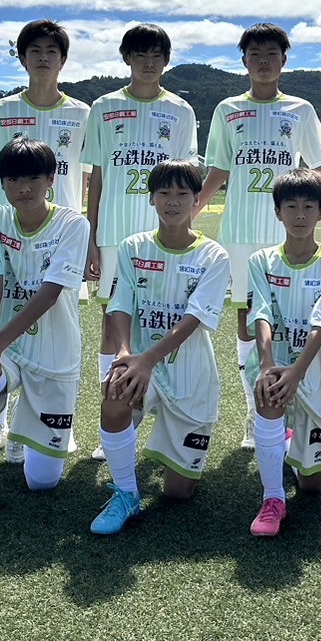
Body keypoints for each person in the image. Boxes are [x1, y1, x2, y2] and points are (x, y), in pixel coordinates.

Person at [198, 23, 321, 449]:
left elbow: (320, 166)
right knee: (247, 322)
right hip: (242, 231)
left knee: (294, 317)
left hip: (290, 232)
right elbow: (218, 169)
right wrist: (191, 209)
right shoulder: (227, 110)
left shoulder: (300, 109)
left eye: (271, 54)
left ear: (284, 60)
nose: (263, 61)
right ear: (244, 61)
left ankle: (293, 404)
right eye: (255, 55)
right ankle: (255, 411)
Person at [0, 138, 89, 521]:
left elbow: (50, 293)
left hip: (55, 353)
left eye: (32, 178)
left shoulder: (73, 224)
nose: (23, 188)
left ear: (51, 179)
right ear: (2, 183)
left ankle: (21, 434)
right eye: (12, 180)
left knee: (41, 482)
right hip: (8, 347)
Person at [90, 160, 230, 535]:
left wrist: (147, 360)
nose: (173, 201)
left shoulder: (214, 256)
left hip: (190, 378)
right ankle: (126, 493)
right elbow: (120, 304)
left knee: (178, 493)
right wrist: (124, 354)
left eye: (182, 193)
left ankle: (175, 453)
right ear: (151, 198)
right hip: (140, 365)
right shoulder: (133, 247)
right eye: (164, 193)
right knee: (115, 393)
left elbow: (196, 316)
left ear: (197, 199)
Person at [0, 19, 91, 463]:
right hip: (11, 235)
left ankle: (53, 422)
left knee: (60, 323)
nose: (43, 58)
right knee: (6, 312)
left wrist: (89, 240)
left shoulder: (82, 113)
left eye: (51, 51)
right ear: (22, 58)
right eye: (35, 51)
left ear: (63, 60)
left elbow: (88, 176)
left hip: (62, 236)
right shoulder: (0, 110)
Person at [83, 24, 199, 456]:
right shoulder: (104, 107)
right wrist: (93, 236)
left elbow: (187, 180)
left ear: (166, 61)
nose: (148, 63)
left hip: (165, 236)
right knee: (113, 325)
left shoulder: (181, 110)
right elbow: (96, 177)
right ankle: (114, 419)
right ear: (127, 58)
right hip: (115, 234)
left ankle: (166, 412)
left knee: (164, 319)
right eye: (139, 55)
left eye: (156, 55)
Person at [244, 169, 321, 537]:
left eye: (309, 206)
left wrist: (297, 372)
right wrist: (268, 365)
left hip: (315, 370)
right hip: (276, 365)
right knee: (270, 392)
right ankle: (273, 498)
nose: (300, 215)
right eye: (291, 206)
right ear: (278, 212)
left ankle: (284, 441)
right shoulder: (261, 260)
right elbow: (260, 313)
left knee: (312, 487)